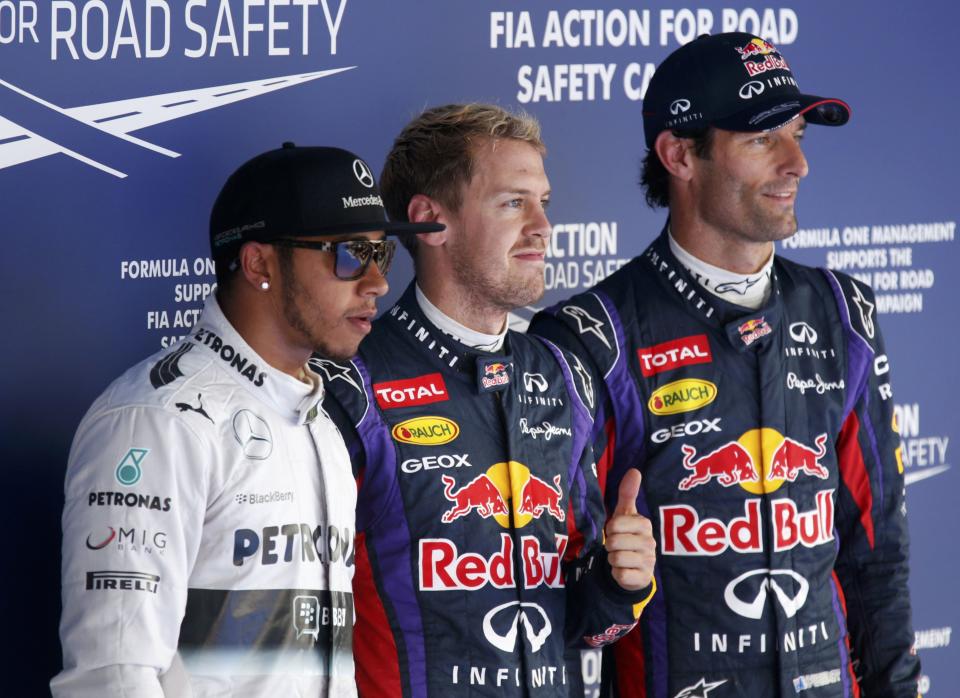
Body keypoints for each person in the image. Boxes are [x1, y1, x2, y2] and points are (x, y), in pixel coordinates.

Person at [530, 33, 920, 698]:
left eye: (797, 134)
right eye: (763, 139)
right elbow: (564, 611)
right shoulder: (593, 337)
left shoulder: (842, 313)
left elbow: (877, 555)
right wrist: (614, 581)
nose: (798, 163)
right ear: (679, 155)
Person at [52, 143, 443, 697]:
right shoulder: (157, 421)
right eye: (350, 254)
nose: (377, 282)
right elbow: (112, 675)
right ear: (259, 263)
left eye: (384, 255)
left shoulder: (324, 427)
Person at [315, 104, 657, 697]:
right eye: (513, 202)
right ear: (430, 221)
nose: (542, 226)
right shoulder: (350, 384)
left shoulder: (565, 376)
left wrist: (622, 583)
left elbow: (586, 627)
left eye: (543, 202)